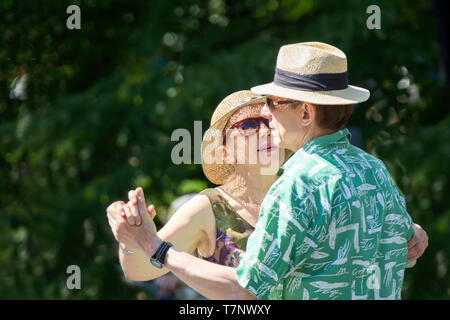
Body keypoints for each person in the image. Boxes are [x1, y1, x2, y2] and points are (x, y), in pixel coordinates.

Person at [107, 42, 429, 300]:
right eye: (248, 125)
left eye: (273, 104)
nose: (265, 115)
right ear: (224, 150)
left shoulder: (297, 186)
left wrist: (154, 246)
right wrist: (134, 241)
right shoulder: (374, 170)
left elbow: (245, 290)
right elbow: (395, 250)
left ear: (305, 113)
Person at [107, 90, 287, 284]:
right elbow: (138, 271)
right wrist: (129, 237)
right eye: (248, 125)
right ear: (225, 153)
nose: (265, 130)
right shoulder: (209, 208)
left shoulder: (307, 188)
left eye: (269, 120)